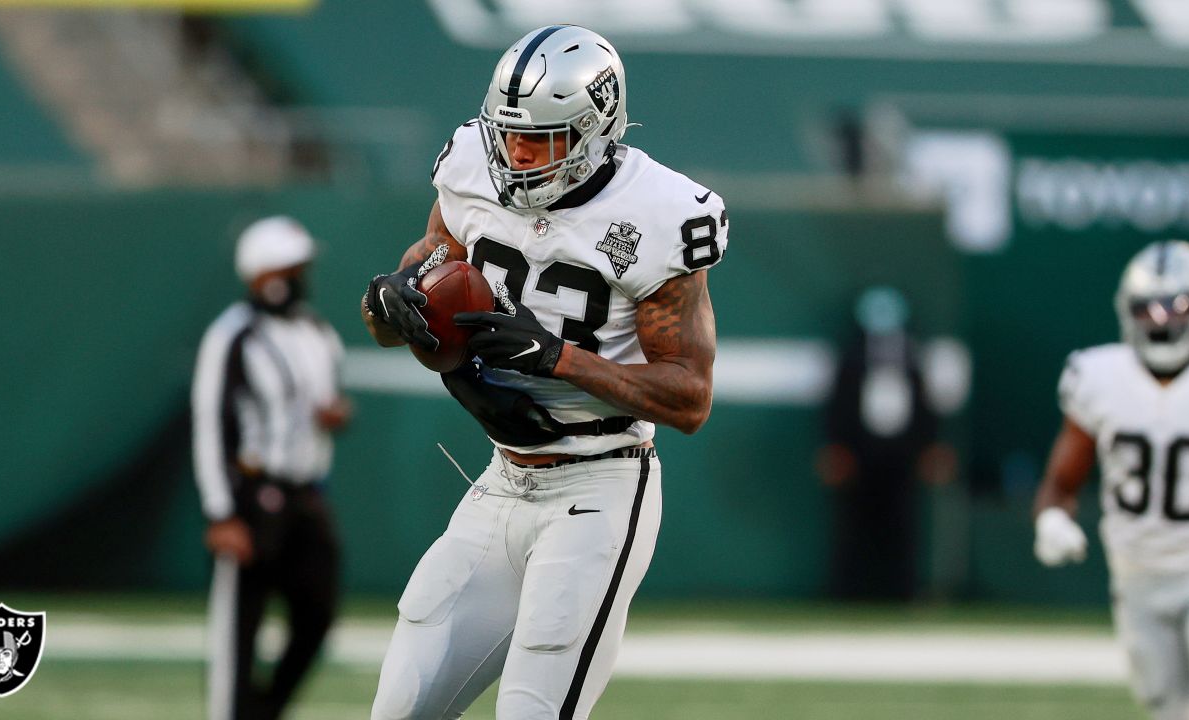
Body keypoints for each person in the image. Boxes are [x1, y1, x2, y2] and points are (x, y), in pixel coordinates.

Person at [360, 25, 727, 720]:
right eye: (508, 133)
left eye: (541, 139)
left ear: (595, 131)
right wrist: (386, 299)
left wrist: (558, 358)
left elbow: (689, 398)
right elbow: (422, 285)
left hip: (601, 482)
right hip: (502, 479)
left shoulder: (657, 214)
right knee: (398, 710)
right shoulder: (471, 164)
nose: (516, 153)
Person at [191, 216, 351, 720]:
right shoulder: (234, 334)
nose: (300, 276)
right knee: (240, 629)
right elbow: (211, 422)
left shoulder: (315, 331)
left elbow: (324, 401)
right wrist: (221, 513)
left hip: (307, 494)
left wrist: (333, 415)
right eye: (291, 265)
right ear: (262, 271)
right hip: (254, 496)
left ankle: (264, 711)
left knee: (318, 613)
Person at [1033, 240, 1189, 720]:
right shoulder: (1099, 376)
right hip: (1135, 572)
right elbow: (1061, 483)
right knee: (1166, 708)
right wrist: (1050, 520)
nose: (1162, 321)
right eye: (1149, 308)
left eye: (1177, 306)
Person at [817, 286, 953, 601]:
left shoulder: (914, 357)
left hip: (903, 452)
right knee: (853, 525)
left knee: (902, 523)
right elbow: (837, 404)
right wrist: (836, 447)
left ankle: (902, 592)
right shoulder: (850, 357)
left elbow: (925, 406)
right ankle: (847, 593)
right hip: (858, 451)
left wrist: (930, 448)